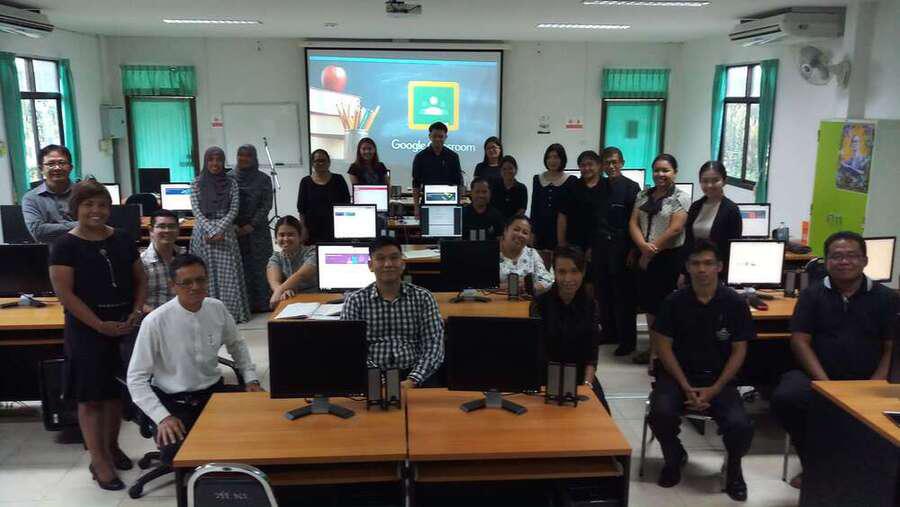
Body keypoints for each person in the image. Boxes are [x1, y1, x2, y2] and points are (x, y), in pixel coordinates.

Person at [771, 231, 898, 489]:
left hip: (869, 379)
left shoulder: (885, 298)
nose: (844, 261)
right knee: (787, 397)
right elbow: (800, 341)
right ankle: (814, 464)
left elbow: (891, 347)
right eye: (836, 256)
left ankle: (860, 466)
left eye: (851, 256)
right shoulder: (812, 295)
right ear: (827, 261)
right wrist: (825, 385)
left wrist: (874, 385)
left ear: (864, 260)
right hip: (819, 376)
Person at [48, 179, 147, 491]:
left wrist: (135, 312)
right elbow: (65, 295)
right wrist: (99, 325)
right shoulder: (64, 246)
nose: (96, 210)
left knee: (115, 393)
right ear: (75, 208)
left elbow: (140, 279)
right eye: (88, 204)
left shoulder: (122, 238)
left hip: (123, 326)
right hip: (86, 330)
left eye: (102, 204)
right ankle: (99, 460)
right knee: (91, 397)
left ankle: (112, 446)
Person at [127, 254, 262, 466]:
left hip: (213, 393)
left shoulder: (216, 308)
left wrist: (251, 379)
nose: (195, 287)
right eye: (186, 282)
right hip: (174, 401)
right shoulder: (155, 321)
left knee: (260, 426)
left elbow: (237, 344)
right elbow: (135, 378)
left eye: (200, 280)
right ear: (173, 286)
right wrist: (162, 417)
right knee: (180, 457)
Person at [649, 240, 753, 501]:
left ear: (720, 267)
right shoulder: (674, 301)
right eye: (695, 264)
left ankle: (734, 470)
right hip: (678, 377)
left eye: (708, 263)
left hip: (719, 380)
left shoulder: (735, 303)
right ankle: (674, 457)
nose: (702, 269)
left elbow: (739, 351)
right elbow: (663, 346)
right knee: (660, 414)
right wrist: (685, 386)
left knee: (740, 425)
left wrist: (715, 389)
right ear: (687, 267)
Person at [341, 236, 444, 387]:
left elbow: (433, 345)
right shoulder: (355, 301)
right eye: (380, 258)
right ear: (370, 265)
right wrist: (380, 382)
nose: (388, 264)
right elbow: (352, 348)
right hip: (371, 376)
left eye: (394, 258)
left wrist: (413, 380)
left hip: (416, 375)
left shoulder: (423, 297)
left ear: (402, 264)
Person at [629, 154, 691, 364]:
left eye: (666, 170)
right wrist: (642, 247)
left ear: (675, 172)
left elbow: (675, 229)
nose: (660, 174)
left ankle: (663, 353)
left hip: (668, 258)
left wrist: (650, 251)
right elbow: (633, 223)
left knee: (665, 307)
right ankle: (653, 349)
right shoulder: (643, 194)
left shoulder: (681, 198)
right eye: (657, 170)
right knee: (649, 306)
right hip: (645, 254)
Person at [530, 246, 608, 409]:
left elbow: (591, 355)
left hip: (580, 374)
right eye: (562, 272)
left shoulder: (591, 306)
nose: (568, 278)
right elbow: (536, 351)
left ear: (583, 272)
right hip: (546, 374)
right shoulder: (539, 304)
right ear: (554, 272)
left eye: (574, 271)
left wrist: (587, 385)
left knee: (601, 412)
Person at [190, 146, 250, 324]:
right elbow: (196, 210)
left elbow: (234, 209)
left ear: (223, 162)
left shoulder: (232, 183)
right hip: (203, 234)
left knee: (228, 278)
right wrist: (211, 229)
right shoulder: (196, 183)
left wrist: (219, 229)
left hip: (226, 233)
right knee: (205, 275)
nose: (215, 163)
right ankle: (207, 316)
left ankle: (230, 315)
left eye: (219, 160)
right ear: (206, 161)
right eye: (211, 160)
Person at [599, 147, 641, 356]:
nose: (611, 166)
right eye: (607, 162)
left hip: (623, 248)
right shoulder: (599, 186)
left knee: (624, 297)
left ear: (622, 163)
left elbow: (637, 221)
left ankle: (627, 341)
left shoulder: (632, 187)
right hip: (602, 248)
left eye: (614, 162)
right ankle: (609, 333)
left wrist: (634, 250)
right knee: (604, 293)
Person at [679, 161, 741, 287]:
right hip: (694, 270)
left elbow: (732, 249)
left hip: (717, 274)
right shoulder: (695, 206)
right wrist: (683, 272)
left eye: (715, 180)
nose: (709, 185)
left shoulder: (731, 210)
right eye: (705, 181)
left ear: (724, 181)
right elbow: (688, 242)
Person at [230, 144, 274, 313]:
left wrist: (251, 225)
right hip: (234, 230)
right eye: (240, 155)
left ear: (254, 158)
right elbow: (226, 203)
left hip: (258, 230)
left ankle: (263, 304)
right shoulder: (229, 178)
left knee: (261, 267)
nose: (244, 158)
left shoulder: (264, 179)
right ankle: (245, 305)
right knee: (241, 268)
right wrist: (233, 225)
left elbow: (266, 205)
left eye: (248, 155)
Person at [21, 144, 78, 243]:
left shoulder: (85, 193)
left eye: (62, 163)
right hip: (48, 251)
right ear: (41, 169)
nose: (57, 168)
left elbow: (97, 225)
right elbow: (38, 232)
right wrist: (81, 225)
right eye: (51, 164)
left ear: (71, 167)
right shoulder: (31, 198)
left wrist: (51, 227)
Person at [297, 149, 350, 243]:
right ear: (312, 163)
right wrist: (303, 228)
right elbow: (301, 209)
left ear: (329, 162)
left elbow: (346, 204)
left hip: (336, 228)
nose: (320, 163)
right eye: (317, 161)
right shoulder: (305, 181)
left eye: (323, 160)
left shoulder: (339, 179)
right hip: (312, 230)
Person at [267, 215, 318, 308]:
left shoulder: (312, 252)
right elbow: (273, 281)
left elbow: (301, 275)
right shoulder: (276, 257)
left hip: (317, 297)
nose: (286, 239)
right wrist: (282, 291)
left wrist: (279, 291)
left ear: (300, 237)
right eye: (281, 235)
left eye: (290, 234)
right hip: (292, 299)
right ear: (276, 238)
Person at [411, 122, 463, 213]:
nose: (437, 139)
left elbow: (458, 183)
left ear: (445, 137)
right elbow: (416, 184)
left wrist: (457, 205)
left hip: (449, 200)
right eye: (435, 136)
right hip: (427, 201)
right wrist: (416, 207)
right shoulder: (420, 157)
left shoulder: (453, 156)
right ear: (430, 136)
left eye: (441, 136)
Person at [531, 143, 574, 251]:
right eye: (549, 157)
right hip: (540, 230)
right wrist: (532, 232)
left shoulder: (570, 180)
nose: (552, 161)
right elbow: (534, 207)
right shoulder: (538, 179)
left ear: (562, 159)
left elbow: (570, 211)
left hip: (561, 231)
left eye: (556, 157)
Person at [141, 209, 185, 313]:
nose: (167, 230)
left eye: (171, 226)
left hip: (183, 316)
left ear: (178, 230)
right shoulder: (142, 263)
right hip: (154, 317)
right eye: (161, 226)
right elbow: (136, 302)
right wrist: (161, 317)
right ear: (151, 230)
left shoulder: (185, 258)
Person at [498, 214, 554, 295]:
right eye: (516, 229)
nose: (520, 235)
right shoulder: (489, 252)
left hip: (524, 301)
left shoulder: (531, 254)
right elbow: (480, 283)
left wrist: (530, 287)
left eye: (525, 233)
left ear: (529, 238)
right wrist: (510, 286)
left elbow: (548, 280)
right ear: (505, 230)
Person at [489, 155, 528, 220]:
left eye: (510, 168)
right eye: (504, 169)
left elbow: (522, 209)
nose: (507, 171)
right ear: (500, 171)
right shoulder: (494, 186)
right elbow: (490, 206)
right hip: (496, 221)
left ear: (516, 170)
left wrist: (510, 222)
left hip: (514, 223)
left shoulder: (522, 188)